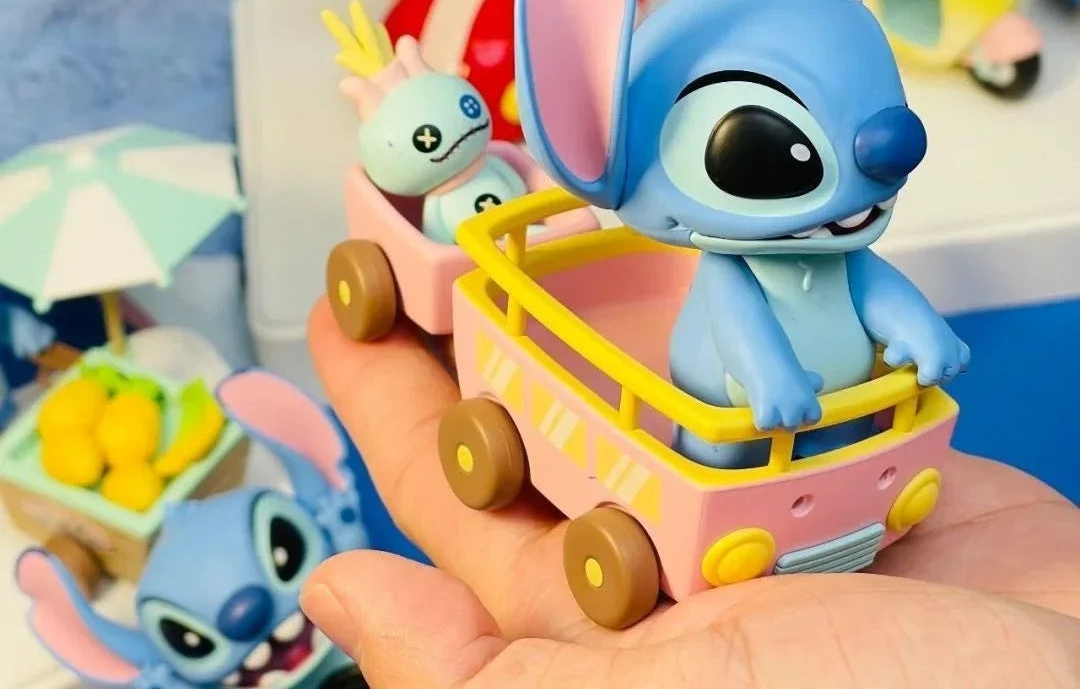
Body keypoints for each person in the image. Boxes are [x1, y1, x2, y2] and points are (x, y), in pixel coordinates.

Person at [299, 300, 1080, 688]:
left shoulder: (831, 254)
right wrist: (768, 376)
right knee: (721, 438)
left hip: (814, 436)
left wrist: (922, 331)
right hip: (735, 430)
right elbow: (734, 322)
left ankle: (824, 492)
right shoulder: (730, 272)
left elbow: (878, 293)